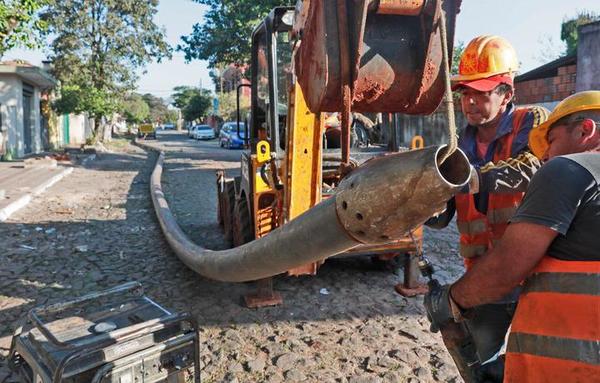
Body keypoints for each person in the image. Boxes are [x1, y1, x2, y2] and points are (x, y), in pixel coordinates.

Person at [425, 90, 600, 382]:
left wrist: (450, 299)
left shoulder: (570, 169)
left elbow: (507, 267)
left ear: (585, 130)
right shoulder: (463, 143)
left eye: (552, 141)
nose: (545, 155)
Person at [416, 35, 549, 380]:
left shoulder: (532, 123)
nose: (470, 101)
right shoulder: (456, 148)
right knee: (476, 362)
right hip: (485, 279)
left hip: (534, 272)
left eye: (482, 92)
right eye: (465, 94)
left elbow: (530, 168)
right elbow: (443, 215)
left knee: (534, 362)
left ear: (507, 92)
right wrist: (417, 205)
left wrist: (470, 178)